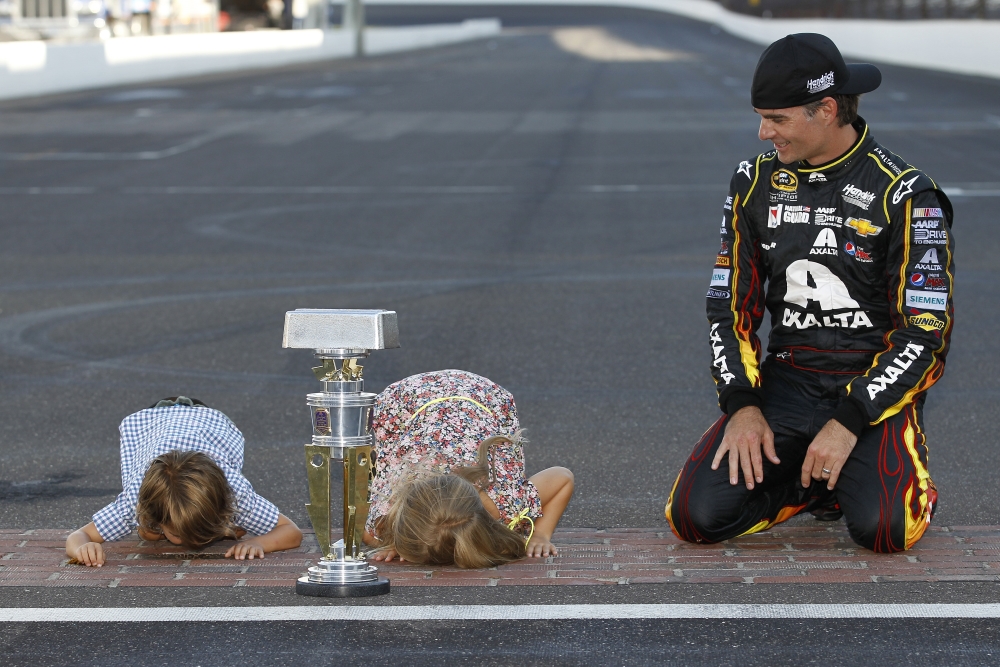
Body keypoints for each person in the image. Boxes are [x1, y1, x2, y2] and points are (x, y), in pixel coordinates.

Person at [665, 34, 954, 553]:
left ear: (825, 109)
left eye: (777, 119)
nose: (763, 132)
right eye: (761, 116)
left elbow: (925, 334)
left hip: (869, 393)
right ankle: (812, 484)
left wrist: (849, 421)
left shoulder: (907, 193)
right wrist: (742, 406)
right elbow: (727, 308)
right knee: (694, 517)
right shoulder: (753, 182)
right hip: (788, 382)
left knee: (885, 531)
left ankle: (874, 479)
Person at [362, 370, 574, 568]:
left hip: (465, 405)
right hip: (417, 405)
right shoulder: (509, 504)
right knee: (385, 463)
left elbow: (563, 479)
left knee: (381, 467)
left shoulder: (506, 502)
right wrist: (396, 540)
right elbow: (562, 477)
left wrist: (541, 535)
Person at [66, 397, 302, 566]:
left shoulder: (235, 493)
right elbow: (77, 537)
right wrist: (84, 548)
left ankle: (188, 528)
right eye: (180, 534)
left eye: (200, 535)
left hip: (209, 423)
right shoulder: (135, 501)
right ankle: (154, 529)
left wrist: (261, 543)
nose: (191, 543)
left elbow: (291, 532)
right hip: (150, 422)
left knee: (236, 519)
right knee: (144, 526)